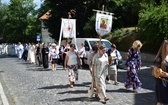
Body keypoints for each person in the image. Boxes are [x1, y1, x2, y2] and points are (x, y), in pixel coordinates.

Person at [152, 40, 168, 105]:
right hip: (162, 84)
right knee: (161, 102)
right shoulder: (160, 58)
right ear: (165, 47)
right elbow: (155, 73)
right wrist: (165, 75)